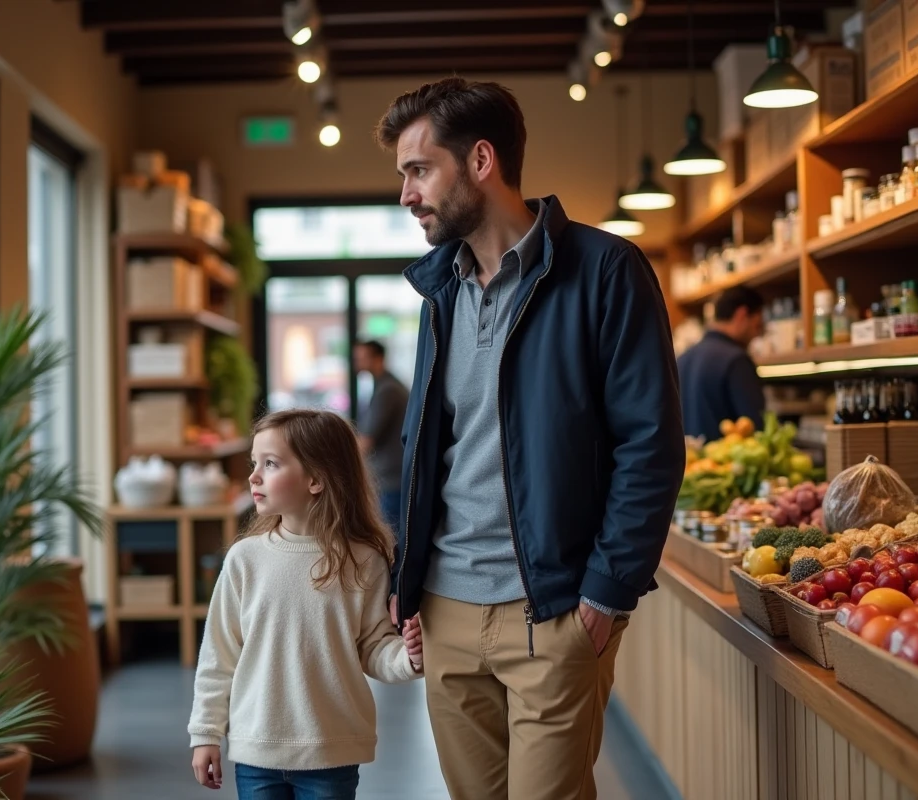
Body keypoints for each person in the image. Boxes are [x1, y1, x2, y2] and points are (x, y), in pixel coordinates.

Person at [374, 77, 685, 800]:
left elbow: (651, 445)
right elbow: (433, 447)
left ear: (480, 161)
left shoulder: (605, 271)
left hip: (551, 611)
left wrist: (604, 597)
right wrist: (408, 578)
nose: (406, 195)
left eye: (419, 170)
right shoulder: (440, 294)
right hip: (446, 611)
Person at [188, 409, 424, 799]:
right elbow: (218, 656)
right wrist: (205, 733)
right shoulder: (244, 560)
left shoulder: (365, 561)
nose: (253, 476)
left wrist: (409, 658)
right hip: (256, 752)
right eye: (254, 463)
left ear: (316, 479)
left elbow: (375, 646)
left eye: (271, 463)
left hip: (331, 755)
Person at [677, 286, 767, 442]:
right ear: (742, 315)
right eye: (757, 325)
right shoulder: (736, 360)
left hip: (689, 462)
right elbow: (755, 428)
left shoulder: (684, 357)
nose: (757, 334)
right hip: (726, 463)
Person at [352, 340, 409, 530]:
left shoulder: (388, 390)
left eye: (363, 358)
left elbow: (366, 440)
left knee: (389, 542)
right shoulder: (383, 385)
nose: (357, 362)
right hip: (391, 479)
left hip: (390, 481)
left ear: (378, 359)